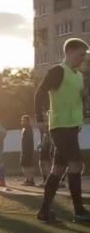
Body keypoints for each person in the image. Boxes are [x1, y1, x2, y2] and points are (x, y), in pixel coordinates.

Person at [34, 38, 90, 223]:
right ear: (70, 52)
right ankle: (79, 211)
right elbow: (40, 93)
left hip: (73, 128)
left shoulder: (79, 76)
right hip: (60, 127)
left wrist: (84, 104)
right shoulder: (58, 71)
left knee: (58, 169)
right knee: (77, 165)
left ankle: (44, 212)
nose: (83, 58)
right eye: (81, 54)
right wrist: (40, 119)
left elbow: (79, 100)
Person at [20, 115, 36, 186]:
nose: (22, 122)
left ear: (27, 121)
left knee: (27, 165)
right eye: (22, 120)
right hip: (25, 149)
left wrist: (27, 150)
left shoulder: (28, 129)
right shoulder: (24, 129)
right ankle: (28, 179)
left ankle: (30, 180)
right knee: (25, 165)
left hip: (27, 150)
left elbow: (29, 141)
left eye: (24, 120)